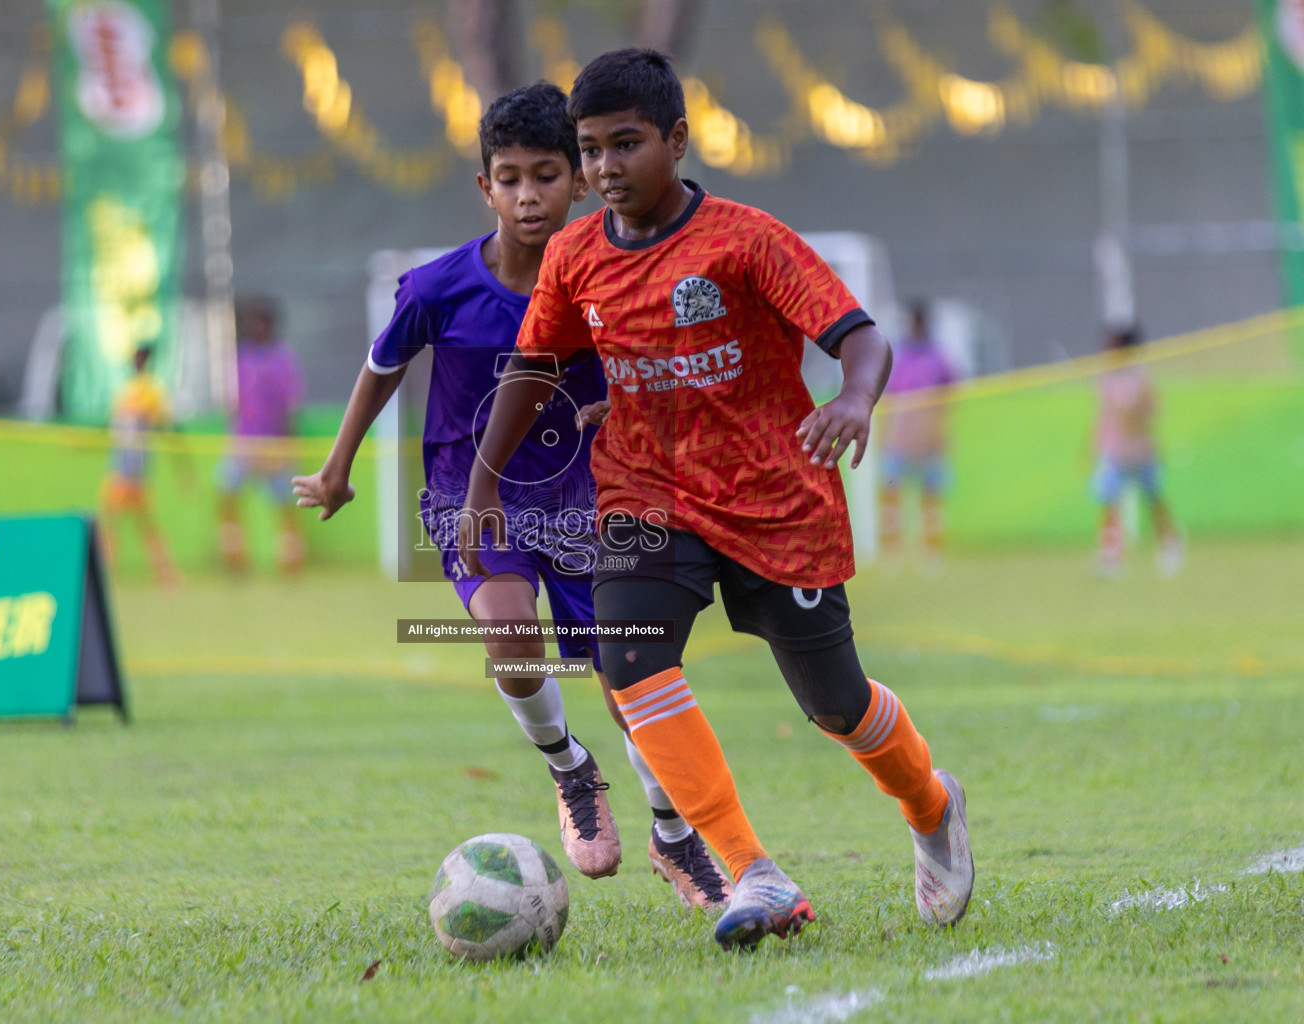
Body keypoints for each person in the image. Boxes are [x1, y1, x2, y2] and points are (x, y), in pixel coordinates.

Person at [460, 49, 973, 951]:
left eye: (627, 144)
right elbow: (535, 366)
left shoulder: (746, 240)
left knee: (835, 704)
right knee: (627, 661)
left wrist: (853, 400)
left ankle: (931, 803)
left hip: (774, 497)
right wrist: (482, 488)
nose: (607, 167)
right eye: (591, 150)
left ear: (678, 141)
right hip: (645, 492)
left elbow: (857, 337)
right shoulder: (575, 253)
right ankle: (753, 872)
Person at [292, 82, 730, 909]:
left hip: (590, 499)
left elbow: (659, 371)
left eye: (547, 175)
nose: (530, 196)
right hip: (472, 497)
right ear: (485, 186)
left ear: (578, 179)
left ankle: (675, 835)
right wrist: (337, 468)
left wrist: (632, 413)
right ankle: (570, 768)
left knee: (634, 674)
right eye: (510, 177)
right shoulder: (436, 288)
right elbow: (383, 368)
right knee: (507, 631)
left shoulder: (607, 277)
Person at [217, 297, 308, 574]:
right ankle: (235, 556)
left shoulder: (284, 358)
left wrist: (289, 443)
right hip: (244, 442)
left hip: (275, 444)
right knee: (226, 494)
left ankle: (290, 558)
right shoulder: (241, 357)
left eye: (260, 321)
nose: (255, 327)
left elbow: (291, 403)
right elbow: (232, 401)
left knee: (285, 503)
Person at [1093, 326, 1183, 576]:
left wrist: (1133, 419)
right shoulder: (1106, 377)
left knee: (1153, 499)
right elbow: (1102, 415)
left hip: (1141, 450)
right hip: (1114, 451)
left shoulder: (1141, 377)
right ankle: (1110, 555)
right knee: (1109, 502)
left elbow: (1151, 410)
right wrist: (1095, 446)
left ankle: (1170, 544)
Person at [879, 302, 957, 564]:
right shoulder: (898, 357)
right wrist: (887, 433)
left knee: (931, 495)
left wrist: (940, 432)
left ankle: (931, 551)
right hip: (900, 439)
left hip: (930, 439)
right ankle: (894, 550)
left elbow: (950, 397)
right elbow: (889, 398)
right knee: (892, 493)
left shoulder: (938, 358)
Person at [101, 344, 182, 588]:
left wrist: (183, 469)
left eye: (141, 357)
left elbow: (169, 428)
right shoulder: (125, 390)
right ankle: (104, 575)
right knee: (111, 523)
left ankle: (168, 574)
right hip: (118, 467)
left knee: (145, 525)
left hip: (136, 471)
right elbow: (113, 429)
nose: (137, 362)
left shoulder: (153, 391)